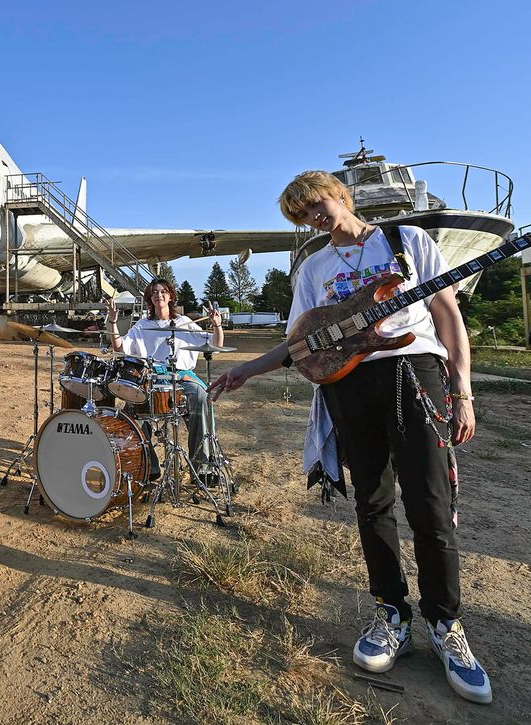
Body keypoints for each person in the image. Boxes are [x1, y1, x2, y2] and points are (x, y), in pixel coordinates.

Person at [208, 171, 491, 705]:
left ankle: (445, 623)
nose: (312, 216)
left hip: (413, 372)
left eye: (314, 203)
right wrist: (247, 370)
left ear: (340, 194)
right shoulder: (313, 268)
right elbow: (300, 342)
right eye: (300, 214)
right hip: (350, 385)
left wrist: (464, 390)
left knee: (431, 502)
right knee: (372, 502)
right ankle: (392, 613)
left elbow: (446, 313)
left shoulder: (407, 242)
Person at [106, 279, 223, 477]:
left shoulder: (184, 323)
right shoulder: (143, 325)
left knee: (201, 397)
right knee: (132, 410)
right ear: (150, 299)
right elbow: (120, 348)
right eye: (154, 293)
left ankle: (202, 467)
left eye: (163, 291)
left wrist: (217, 326)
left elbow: (215, 345)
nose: (159, 295)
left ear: (170, 296)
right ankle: (148, 467)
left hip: (182, 379)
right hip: (152, 381)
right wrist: (113, 322)